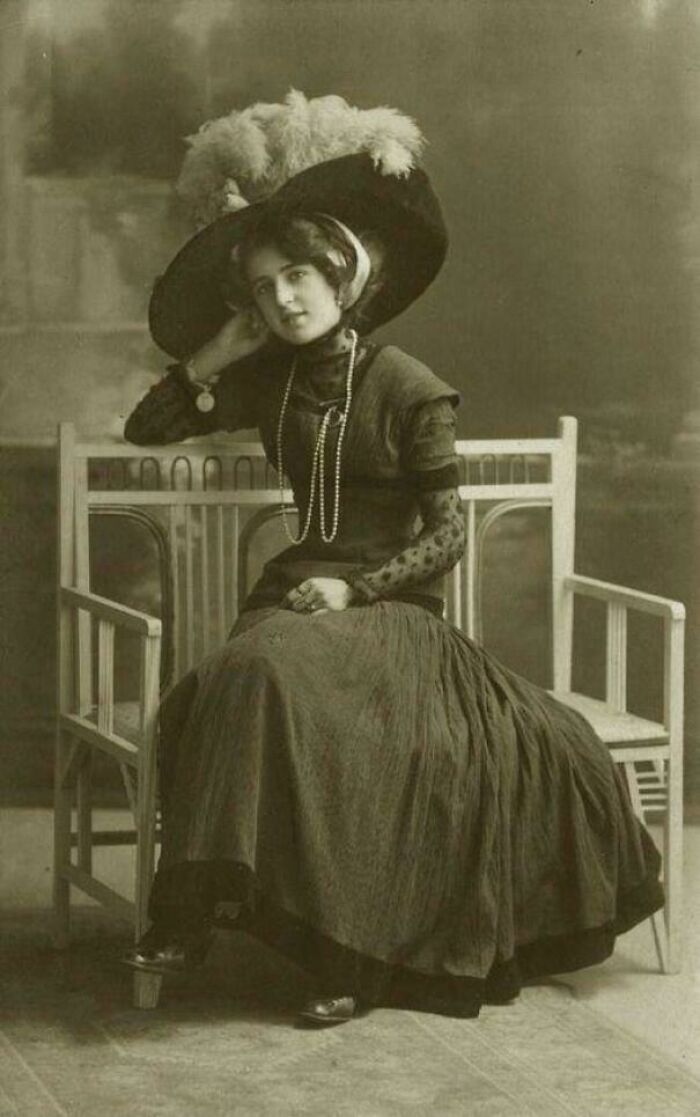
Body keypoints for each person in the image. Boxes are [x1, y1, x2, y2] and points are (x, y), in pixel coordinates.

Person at [121, 92, 663, 1026]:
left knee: (290, 693)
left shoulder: (411, 388)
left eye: (297, 275)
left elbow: (448, 533)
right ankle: (201, 917)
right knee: (243, 677)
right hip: (293, 599)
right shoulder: (270, 375)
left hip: (393, 611)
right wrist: (219, 352)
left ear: (342, 273)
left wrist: (353, 583)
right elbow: (145, 429)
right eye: (262, 287)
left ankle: (346, 958)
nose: (284, 297)